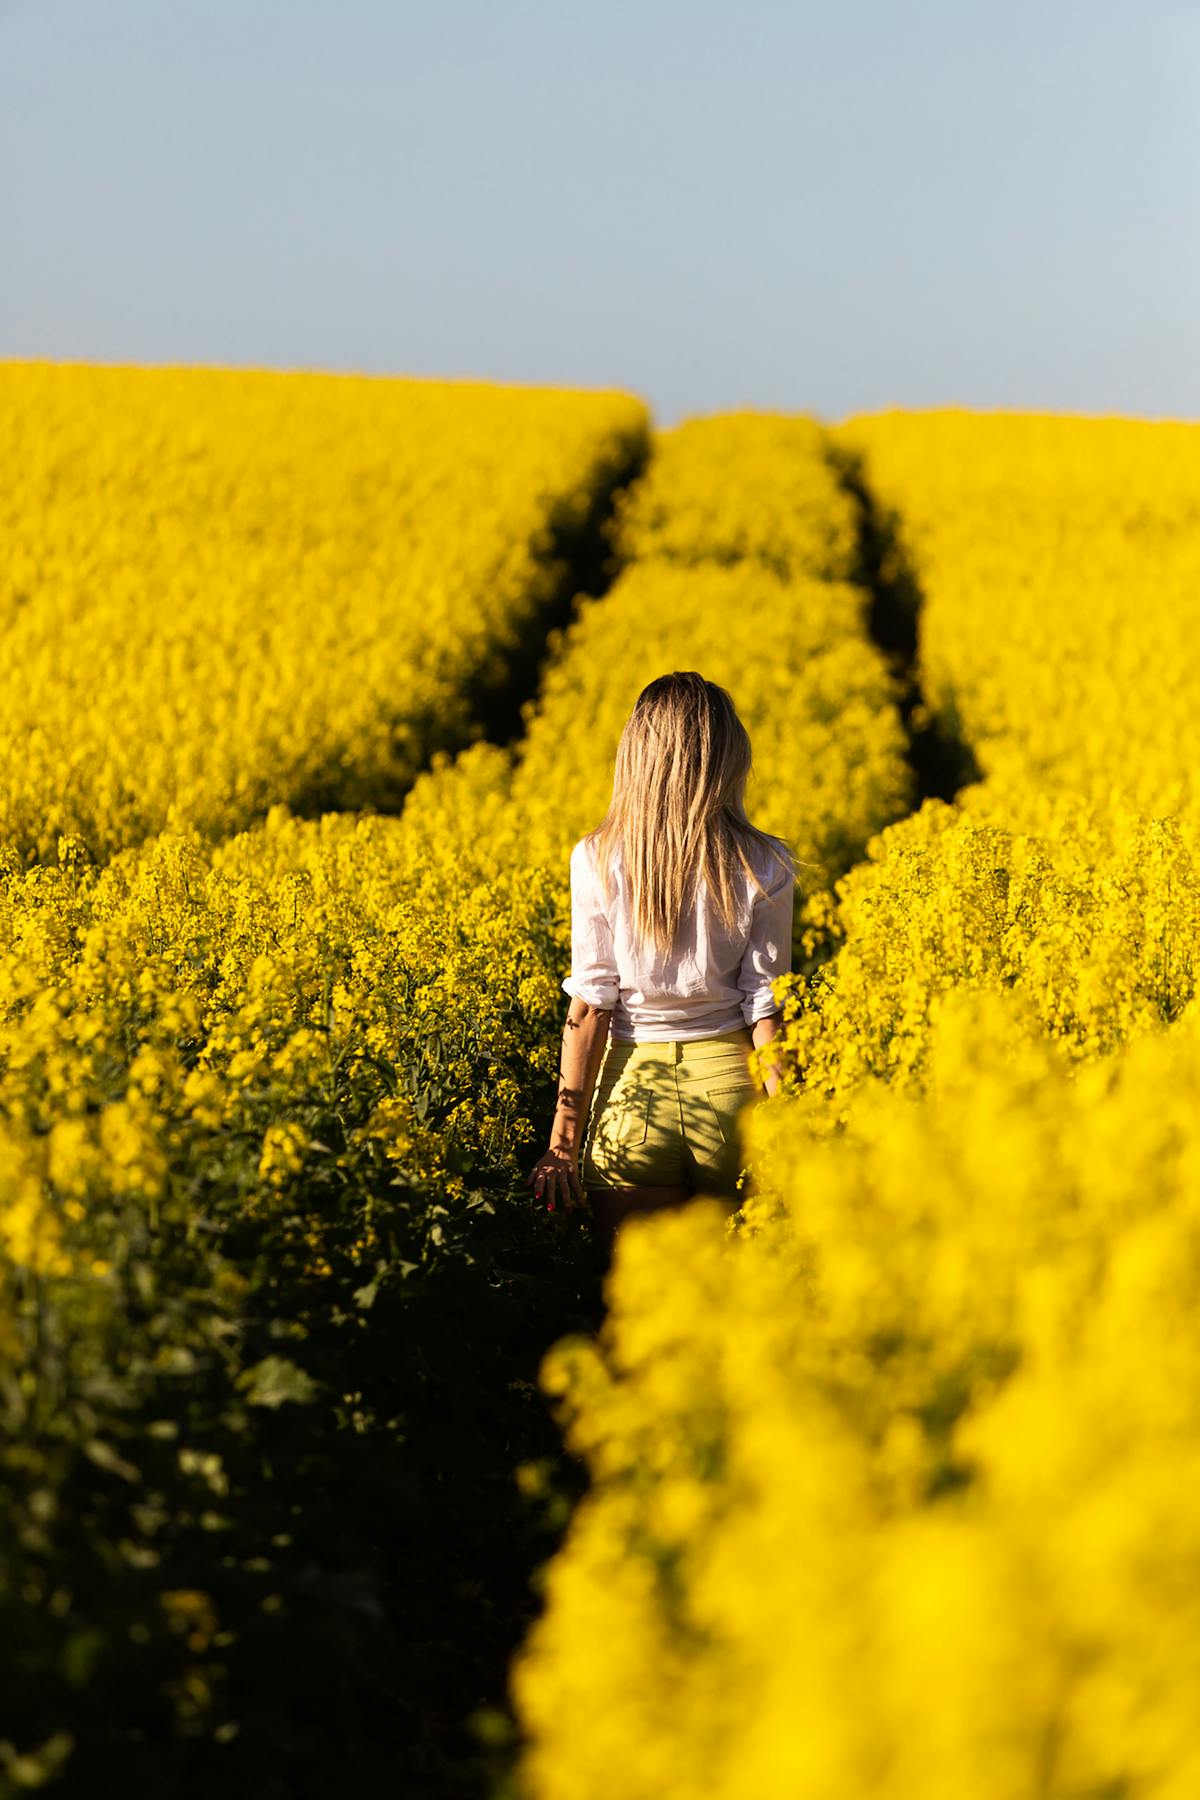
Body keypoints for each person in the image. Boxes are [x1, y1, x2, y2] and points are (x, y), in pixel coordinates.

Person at [525, 671, 796, 1260]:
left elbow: (592, 1005)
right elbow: (765, 1003)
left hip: (631, 1099)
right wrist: (792, 1122)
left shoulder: (596, 857)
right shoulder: (765, 861)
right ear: (727, 757)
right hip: (732, 1096)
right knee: (738, 1306)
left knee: (645, 1311)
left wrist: (562, 1145)